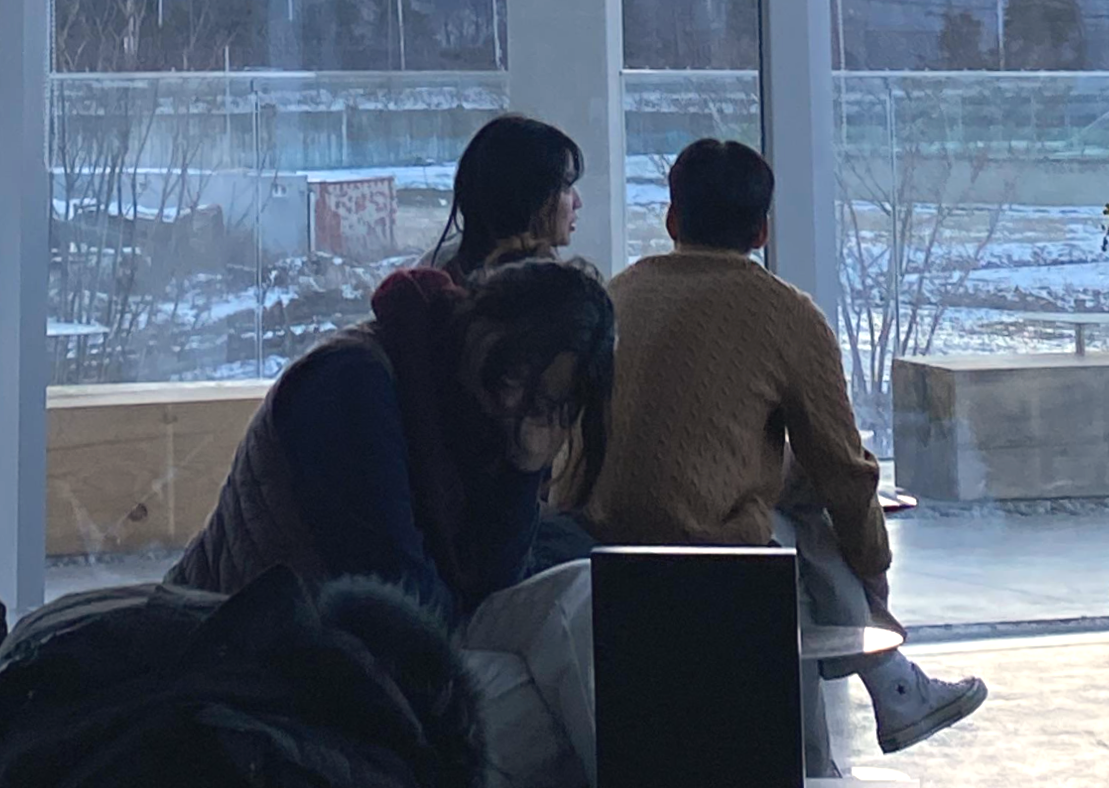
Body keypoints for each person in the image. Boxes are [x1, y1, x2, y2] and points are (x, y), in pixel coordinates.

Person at [568, 138, 986, 769]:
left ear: (672, 219)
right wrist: (873, 569)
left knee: (796, 500)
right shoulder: (786, 313)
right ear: (762, 231)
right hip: (711, 550)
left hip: (600, 541)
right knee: (800, 542)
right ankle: (854, 721)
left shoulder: (618, 294)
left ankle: (890, 690)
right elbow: (844, 468)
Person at [170, 255, 615, 624]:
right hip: (229, 648)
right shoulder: (351, 382)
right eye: (512, 372)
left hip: (319, 643)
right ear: (481, 317)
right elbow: (398, 600)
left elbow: (491, 582)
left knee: (578, 582)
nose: (512, 401)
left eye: (541, 403)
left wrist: (523, 469)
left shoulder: (474, 411)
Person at [431, 117, 584, 277]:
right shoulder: (552, 287)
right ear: (527, 196)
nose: (577, 203)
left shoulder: (441, 276)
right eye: (566, 185)